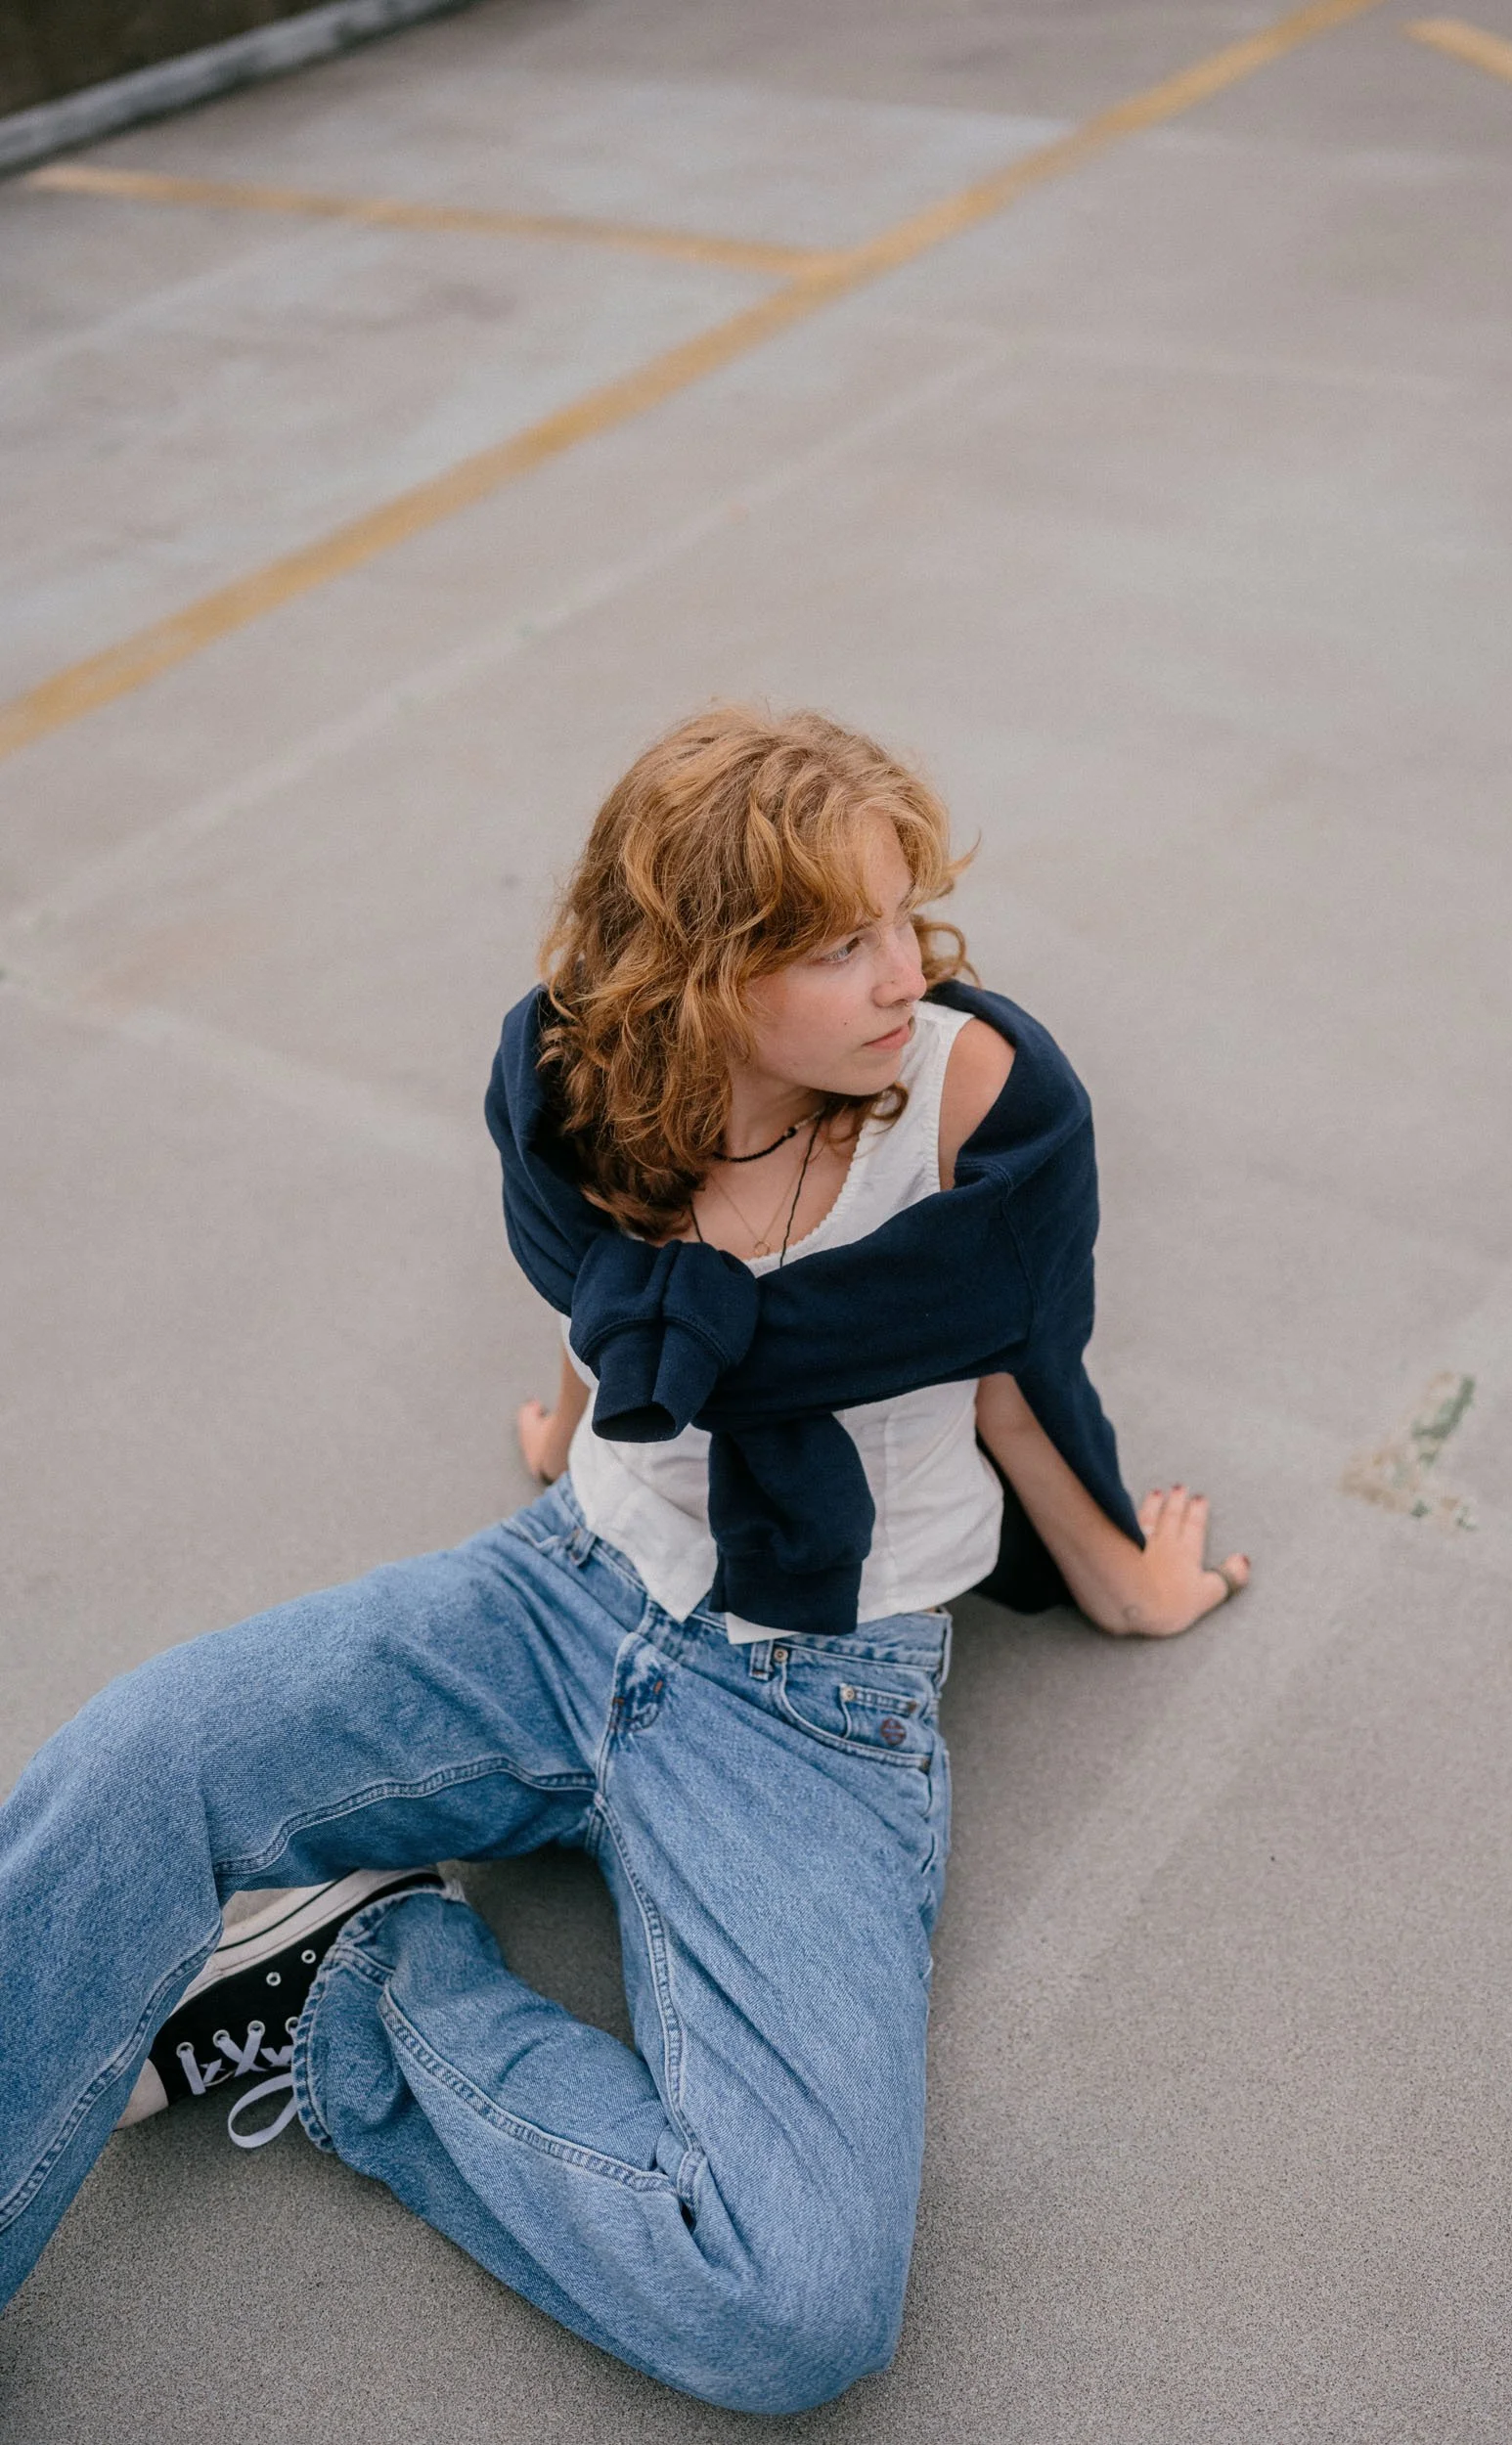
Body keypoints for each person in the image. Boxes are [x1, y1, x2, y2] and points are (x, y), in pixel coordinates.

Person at [0, 708, 1247, 2413]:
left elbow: (1021, 1359)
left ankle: (351, 1986)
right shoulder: (591, 1082)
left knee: (793, 2303)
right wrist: (588, 1421)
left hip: (813, 1702)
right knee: (138, 1757)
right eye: (837, 943)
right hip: (562, 1587)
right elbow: (606, 1288)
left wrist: (1121, 1581)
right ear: (704, 972)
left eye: (907, 918)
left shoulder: (971, 1100)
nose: (904, 976)